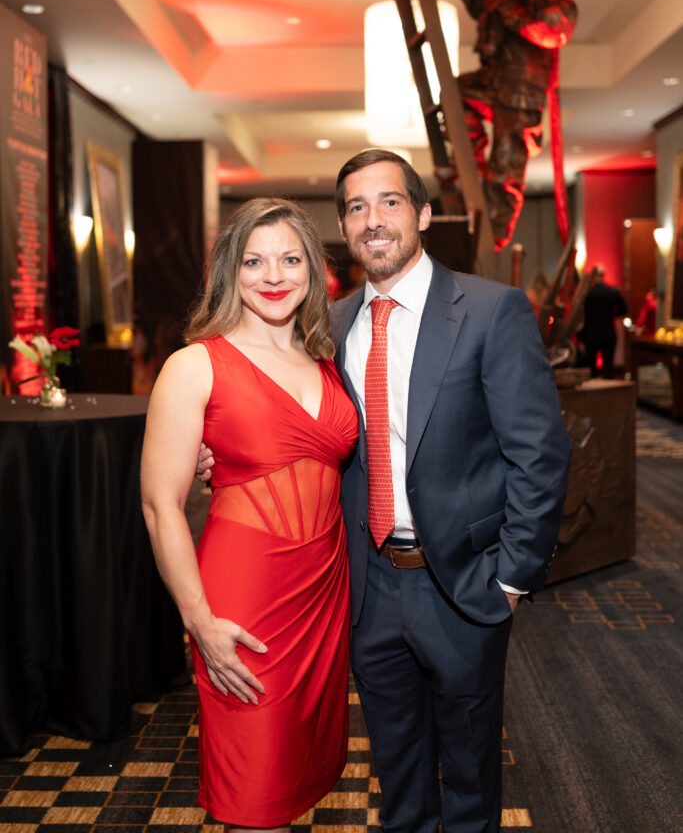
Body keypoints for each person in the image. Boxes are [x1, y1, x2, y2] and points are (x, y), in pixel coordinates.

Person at [198, 150, 571, 833]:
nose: (374, 221)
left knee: (468, 777)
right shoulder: (324, 327)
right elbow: (293, 430)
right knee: (397, 778)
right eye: (356, 208)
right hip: (367, 589)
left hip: (463, 586)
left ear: (423, 213)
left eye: (389, 202)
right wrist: (213, 451)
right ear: (342, 225)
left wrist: (511, 578)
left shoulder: (490, 311)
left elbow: (539, 455)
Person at [141, 198, 358, 831]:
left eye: (291, 259)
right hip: (246, 600)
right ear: (229, 270)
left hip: (323, 592)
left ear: (313, 271)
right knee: (253, 791)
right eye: (254, 261)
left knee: (303, 774)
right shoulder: (194, 365)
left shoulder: (325, 360)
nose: (273, 276)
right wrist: (199, 622)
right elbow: (160, 508)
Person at [418, 0, 577, 247]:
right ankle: (469, 164)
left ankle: (492, 243)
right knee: (454, 94)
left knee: (504, 173)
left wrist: (515, 16)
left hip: (522, 90)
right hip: (493, 81)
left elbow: (558, 27)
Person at [579, 264, 627, 378]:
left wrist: (581, 336)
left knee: (591, 368)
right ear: (603, 275)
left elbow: (581, 316)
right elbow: (624, 310)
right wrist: (611, 315)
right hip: (608, 333)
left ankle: (592, 394)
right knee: (608, 367)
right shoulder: (613, 292)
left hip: (591, 334)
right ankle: (609, 393)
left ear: (593, 276)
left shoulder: (587, 294)